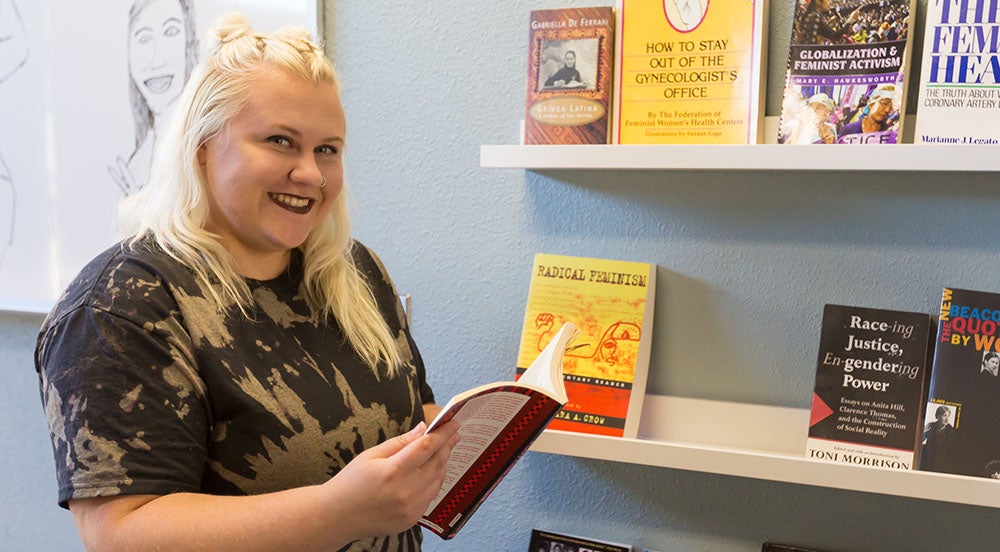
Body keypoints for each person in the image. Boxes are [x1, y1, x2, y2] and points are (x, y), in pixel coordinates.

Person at [36, 13, 459, 552]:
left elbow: (410, 414)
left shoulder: (353, 273)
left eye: (327, 149)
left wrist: (468, 433)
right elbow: (122, 533)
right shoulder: (121, 305)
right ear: (203, 146)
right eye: (281, 141)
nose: (310, 173)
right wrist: (338, 511)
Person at [108, 0, 198, 196]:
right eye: (144, 39)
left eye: (171, 32)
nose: (157, 61)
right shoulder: (136, 165)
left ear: (189, 43)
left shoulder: (208, 153)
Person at [795, 0, 862, 45]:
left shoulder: (812, 15)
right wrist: (851, 20)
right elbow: (834, 36)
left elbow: (824, 31)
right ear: (818, 1)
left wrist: (829, 23)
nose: (829, 2)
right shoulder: (815, 16)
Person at [919, 405, 956, 473]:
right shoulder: (930, 426)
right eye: (945, 415)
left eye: (948, 416)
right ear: (938, 416)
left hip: (943, 465)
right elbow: (921, 440)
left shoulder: (951, 431)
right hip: (929, 463)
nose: (947, 419)